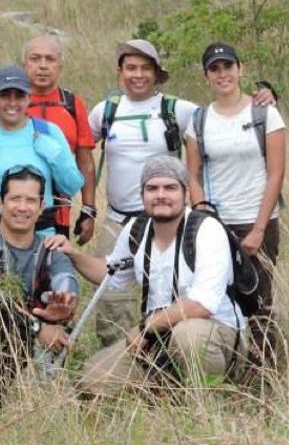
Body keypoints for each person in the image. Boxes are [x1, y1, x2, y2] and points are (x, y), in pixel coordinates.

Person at [54, 156, 243, 398]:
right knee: (91, 379)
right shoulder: (137, 229)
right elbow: (109, 274)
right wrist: (73, 255)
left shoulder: (207, 229)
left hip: (215, 333)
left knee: (188, 337)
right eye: (152, 188)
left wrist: (145, 327)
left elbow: (201, 306)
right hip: (158, 336)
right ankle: (164, 393)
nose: (160, 195)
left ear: (185, 192)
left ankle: (209, 401)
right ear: (142, 194)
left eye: (170, 187)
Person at [87, 40, 198, 346]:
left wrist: (265, 96)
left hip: (168, 222)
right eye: (131, 68)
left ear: (156, 73)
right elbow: (79, 147)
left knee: (175, 293)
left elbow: (219, 120)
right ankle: (114, 363)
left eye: (145, 68)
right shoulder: (105, 111)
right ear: (120, 72)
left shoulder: (177, 109)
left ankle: (168, 360)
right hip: (117, 218)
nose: (138, 75)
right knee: (111, 295)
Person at [184, 41, 286, 360]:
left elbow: (275, 174)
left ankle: (262, 371)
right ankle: (224, 363)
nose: (222, 74)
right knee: (216, 297)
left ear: (240, 69)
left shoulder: (264, 114)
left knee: (258, 299)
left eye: (228, 66)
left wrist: (257, 230)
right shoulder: (199, 120)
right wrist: (202, 216)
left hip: (258, 222)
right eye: (214, 69)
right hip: (216, 225)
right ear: (206, 76)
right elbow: (193, 175)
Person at [0, 166, 80, 359]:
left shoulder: (51, 249)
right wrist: (37, 327)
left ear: (41, 207)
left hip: (32, 354)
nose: (22, 207)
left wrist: (64, 305)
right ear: (0, 203)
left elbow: (66, 282)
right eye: (15, 199)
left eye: (31, 200)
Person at [0, 65, 83, 230]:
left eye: (19, 96)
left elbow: (72, 187)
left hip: (41, 238)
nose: (12, 103)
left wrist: (55, 156)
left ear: (29, 98)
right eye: (4, 96)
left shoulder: (49, 133)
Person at [22, 35, 99, 241]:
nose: (43, 66)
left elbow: (85, 162)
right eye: (35, 58)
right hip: (13, 210)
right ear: (24, 64)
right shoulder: (6, 104)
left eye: (50, 59)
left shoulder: (73, 104)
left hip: (58, 211)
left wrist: (88, 209)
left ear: (60, 66)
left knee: (54, 270)